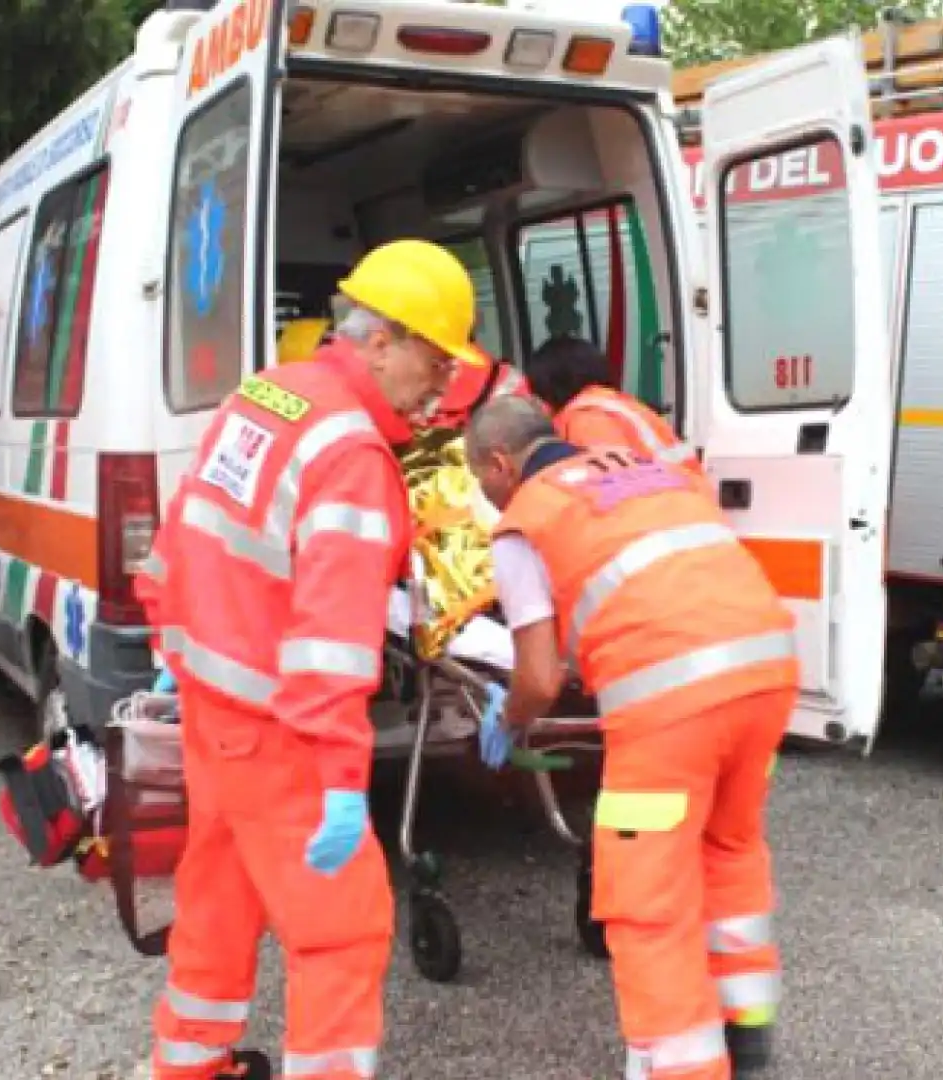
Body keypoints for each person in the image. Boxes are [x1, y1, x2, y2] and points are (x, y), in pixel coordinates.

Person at [136, 238, 486, 1080]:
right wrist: (337, 780)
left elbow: (178, 539)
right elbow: (332, 647)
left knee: (217, 907)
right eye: (435, 363)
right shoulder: (354, 457)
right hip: (281, 733)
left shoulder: (267, 397)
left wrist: (171, 648)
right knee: (341, 932)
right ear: (380, 341)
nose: (442, 386)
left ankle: (188, 1066)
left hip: (215, 714)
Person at [462, 395, 798, 1079]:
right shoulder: (642, 472)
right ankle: (748, 1033)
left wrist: (508, 721)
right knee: (728, 849)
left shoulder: (528, 519)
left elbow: (537, 676)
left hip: (672, 699)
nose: (487, 499)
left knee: (646, 900)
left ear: (500, 465)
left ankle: (682, 1067)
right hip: (768, 674)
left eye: (481, 483)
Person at [524, 334, 700, 476]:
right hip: (687, 505)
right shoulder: (618, 405)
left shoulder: (588, 421)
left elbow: (610, 488)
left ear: (550, 387)